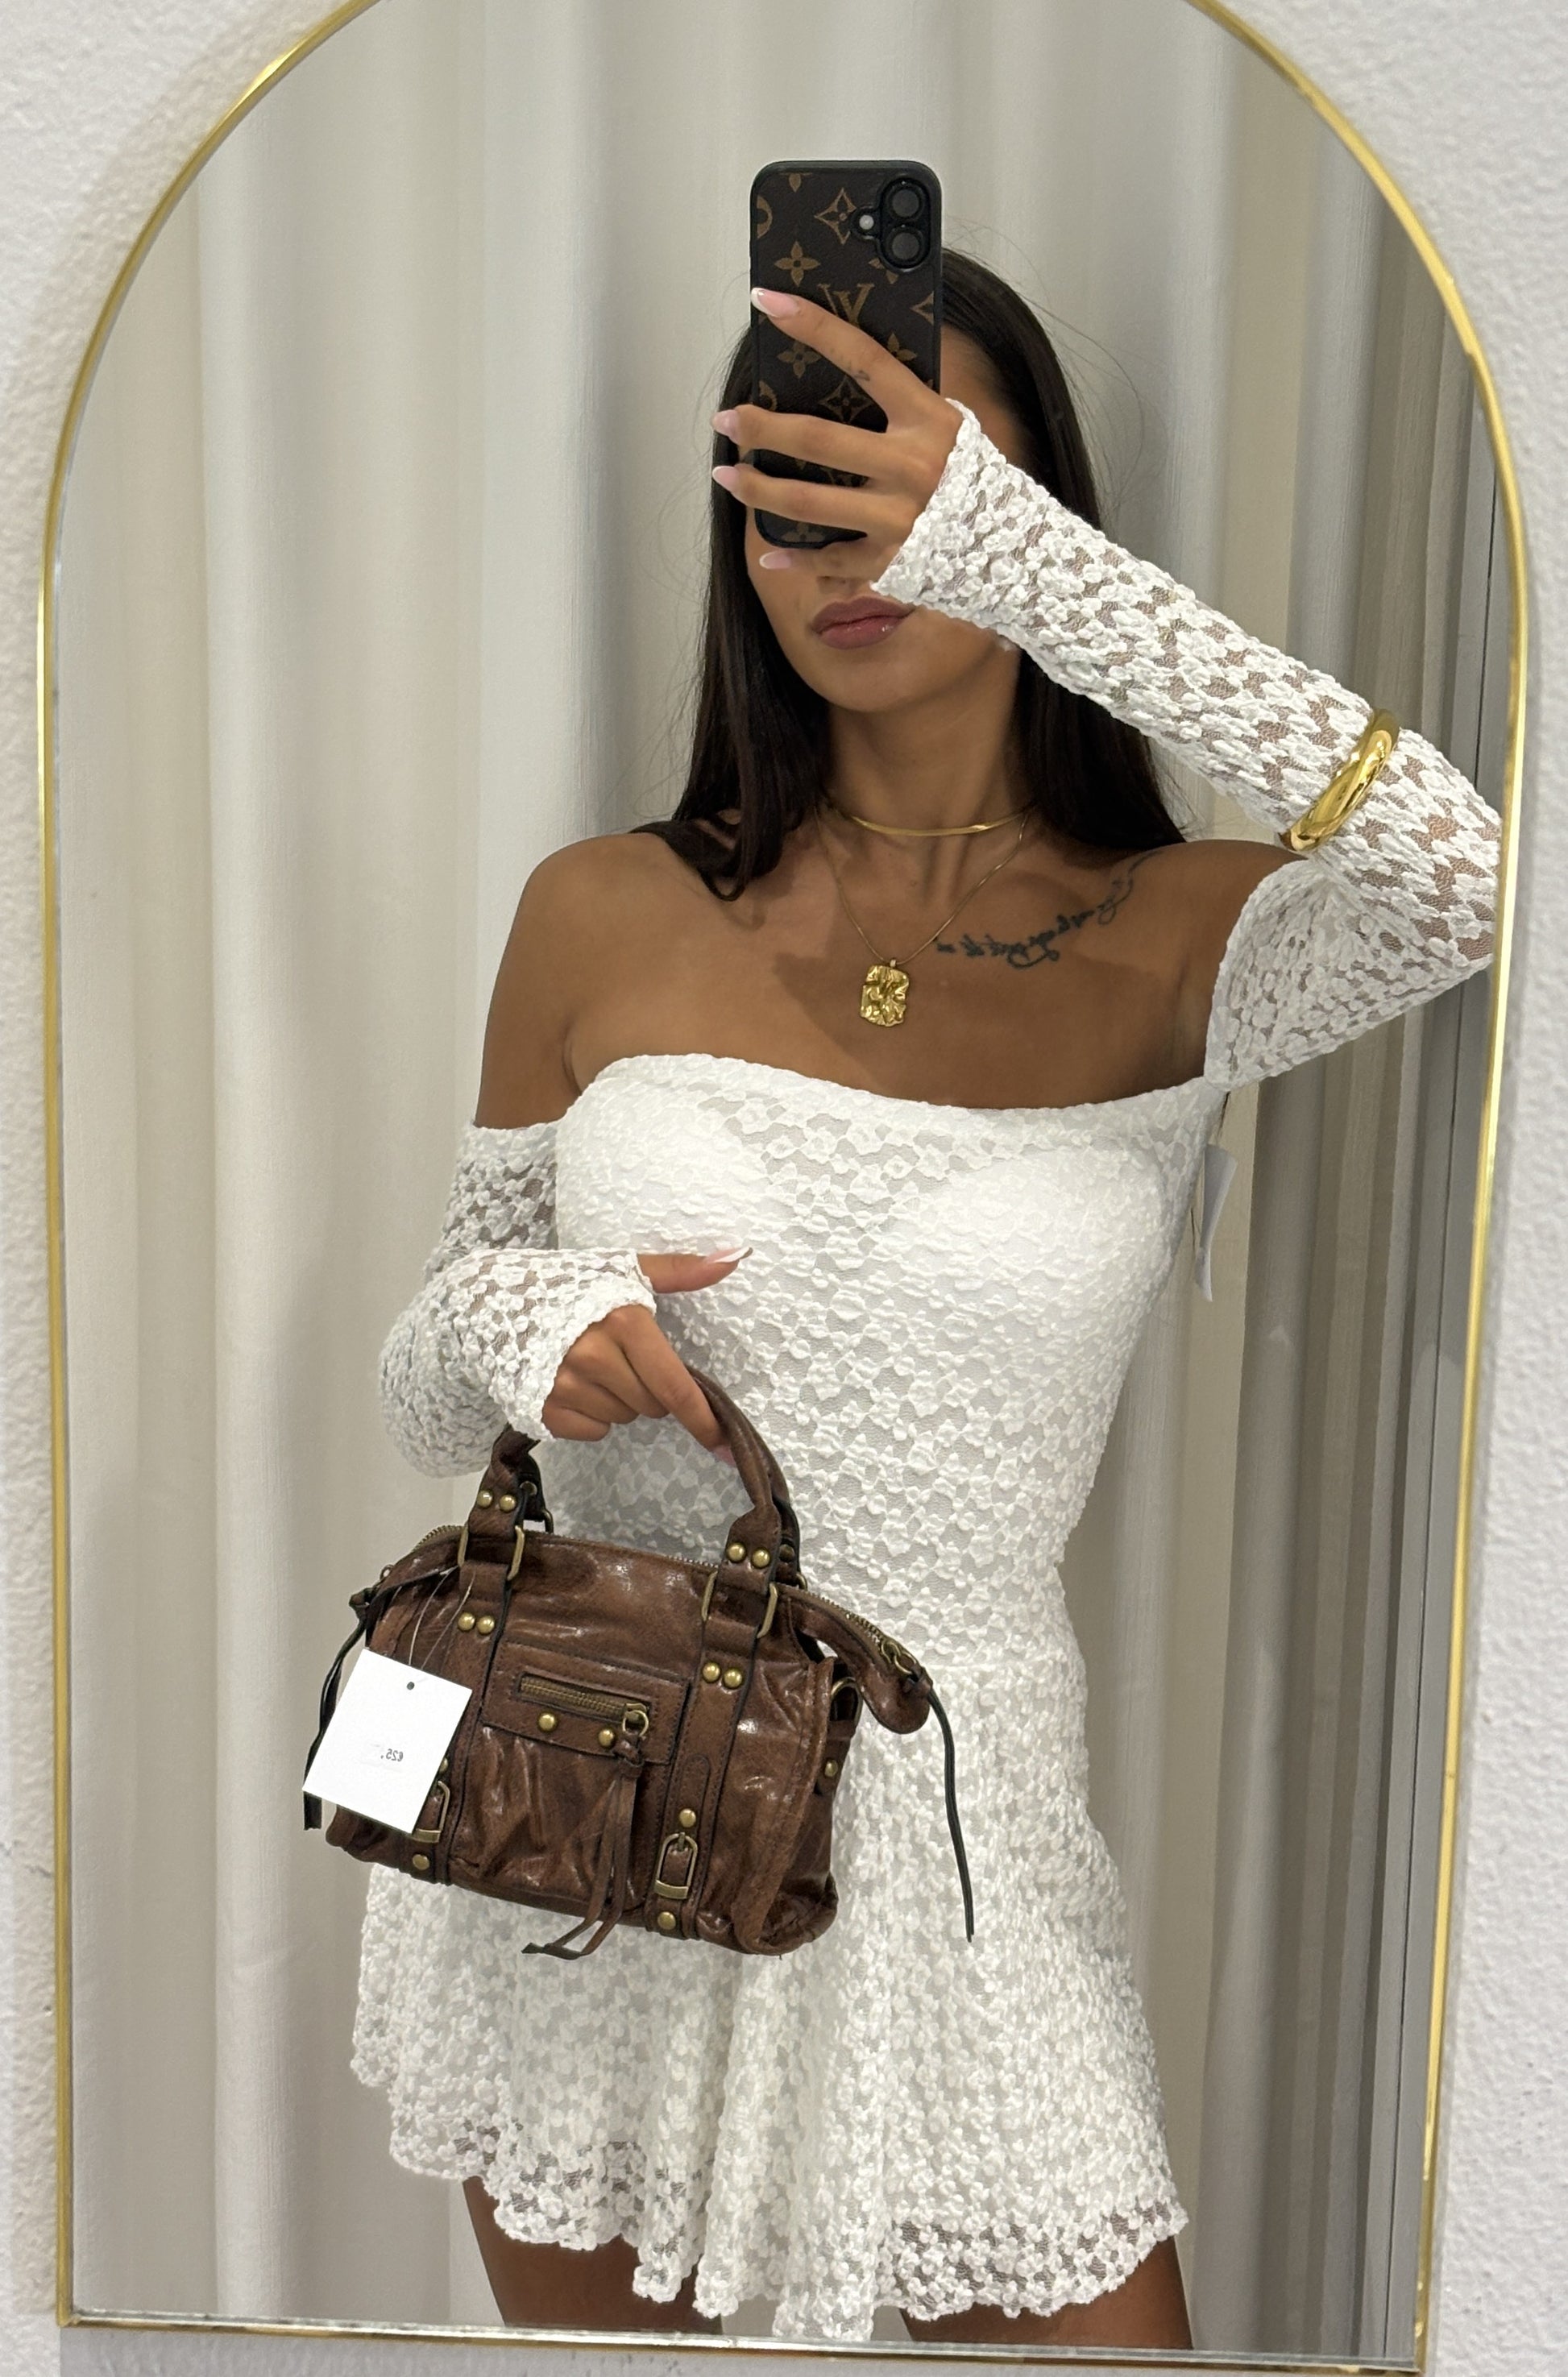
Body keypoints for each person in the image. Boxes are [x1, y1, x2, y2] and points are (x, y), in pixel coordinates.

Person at [356, 251, 1499, 2350]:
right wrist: (521, 1326)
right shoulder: (602, 908)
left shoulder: (1184, 934)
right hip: (597, 1814)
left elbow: (1471, 877)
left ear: (1022, 502)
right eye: (785, 497)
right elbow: (428, 1378)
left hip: (960, 1855)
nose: (840, 548)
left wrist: (1027, 566)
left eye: (892, 478)